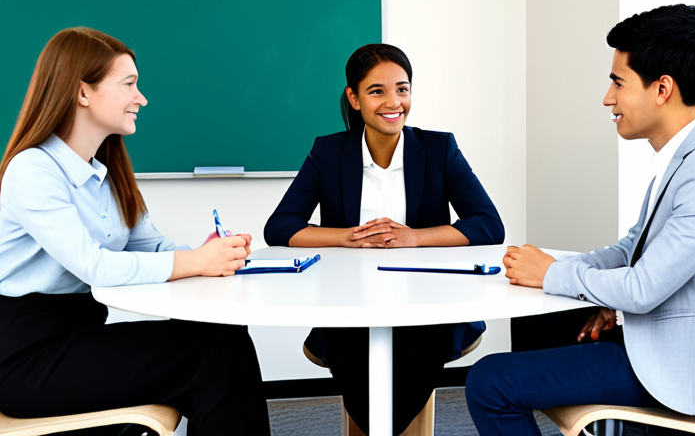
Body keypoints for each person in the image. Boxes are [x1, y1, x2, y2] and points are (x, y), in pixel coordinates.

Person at [465, 4, 695, 434]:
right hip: (660, 339)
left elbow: (641, 289)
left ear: (662, 89)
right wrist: (557, 270)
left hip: (685, 369)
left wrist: (551, 274)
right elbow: (631, 249)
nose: (608, 98)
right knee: (538, 326)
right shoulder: (689, 152)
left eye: (618, 82)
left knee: (489, 382)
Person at [0, 27, 271, 436]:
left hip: (78, 335)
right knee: (211, 354)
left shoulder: (107, 175)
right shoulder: (33, 170)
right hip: (26, 357)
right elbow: (95, 267)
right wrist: (195, 262)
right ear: (82, 92)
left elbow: (154, 246)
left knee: (221, 335)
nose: (141, 98)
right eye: (129, 84)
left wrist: (209, 251)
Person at [264, 43, 504, 435]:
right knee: (357, 355)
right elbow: (279, 227)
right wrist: (347, 237)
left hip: (427, 302)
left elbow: (489, 224)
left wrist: (415, 238)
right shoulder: (328, 151)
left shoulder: (439, 148)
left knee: (412, 351)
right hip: (350, 303)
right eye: (377, 91)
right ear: (354, 98)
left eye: (403, 89)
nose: (394, 102)